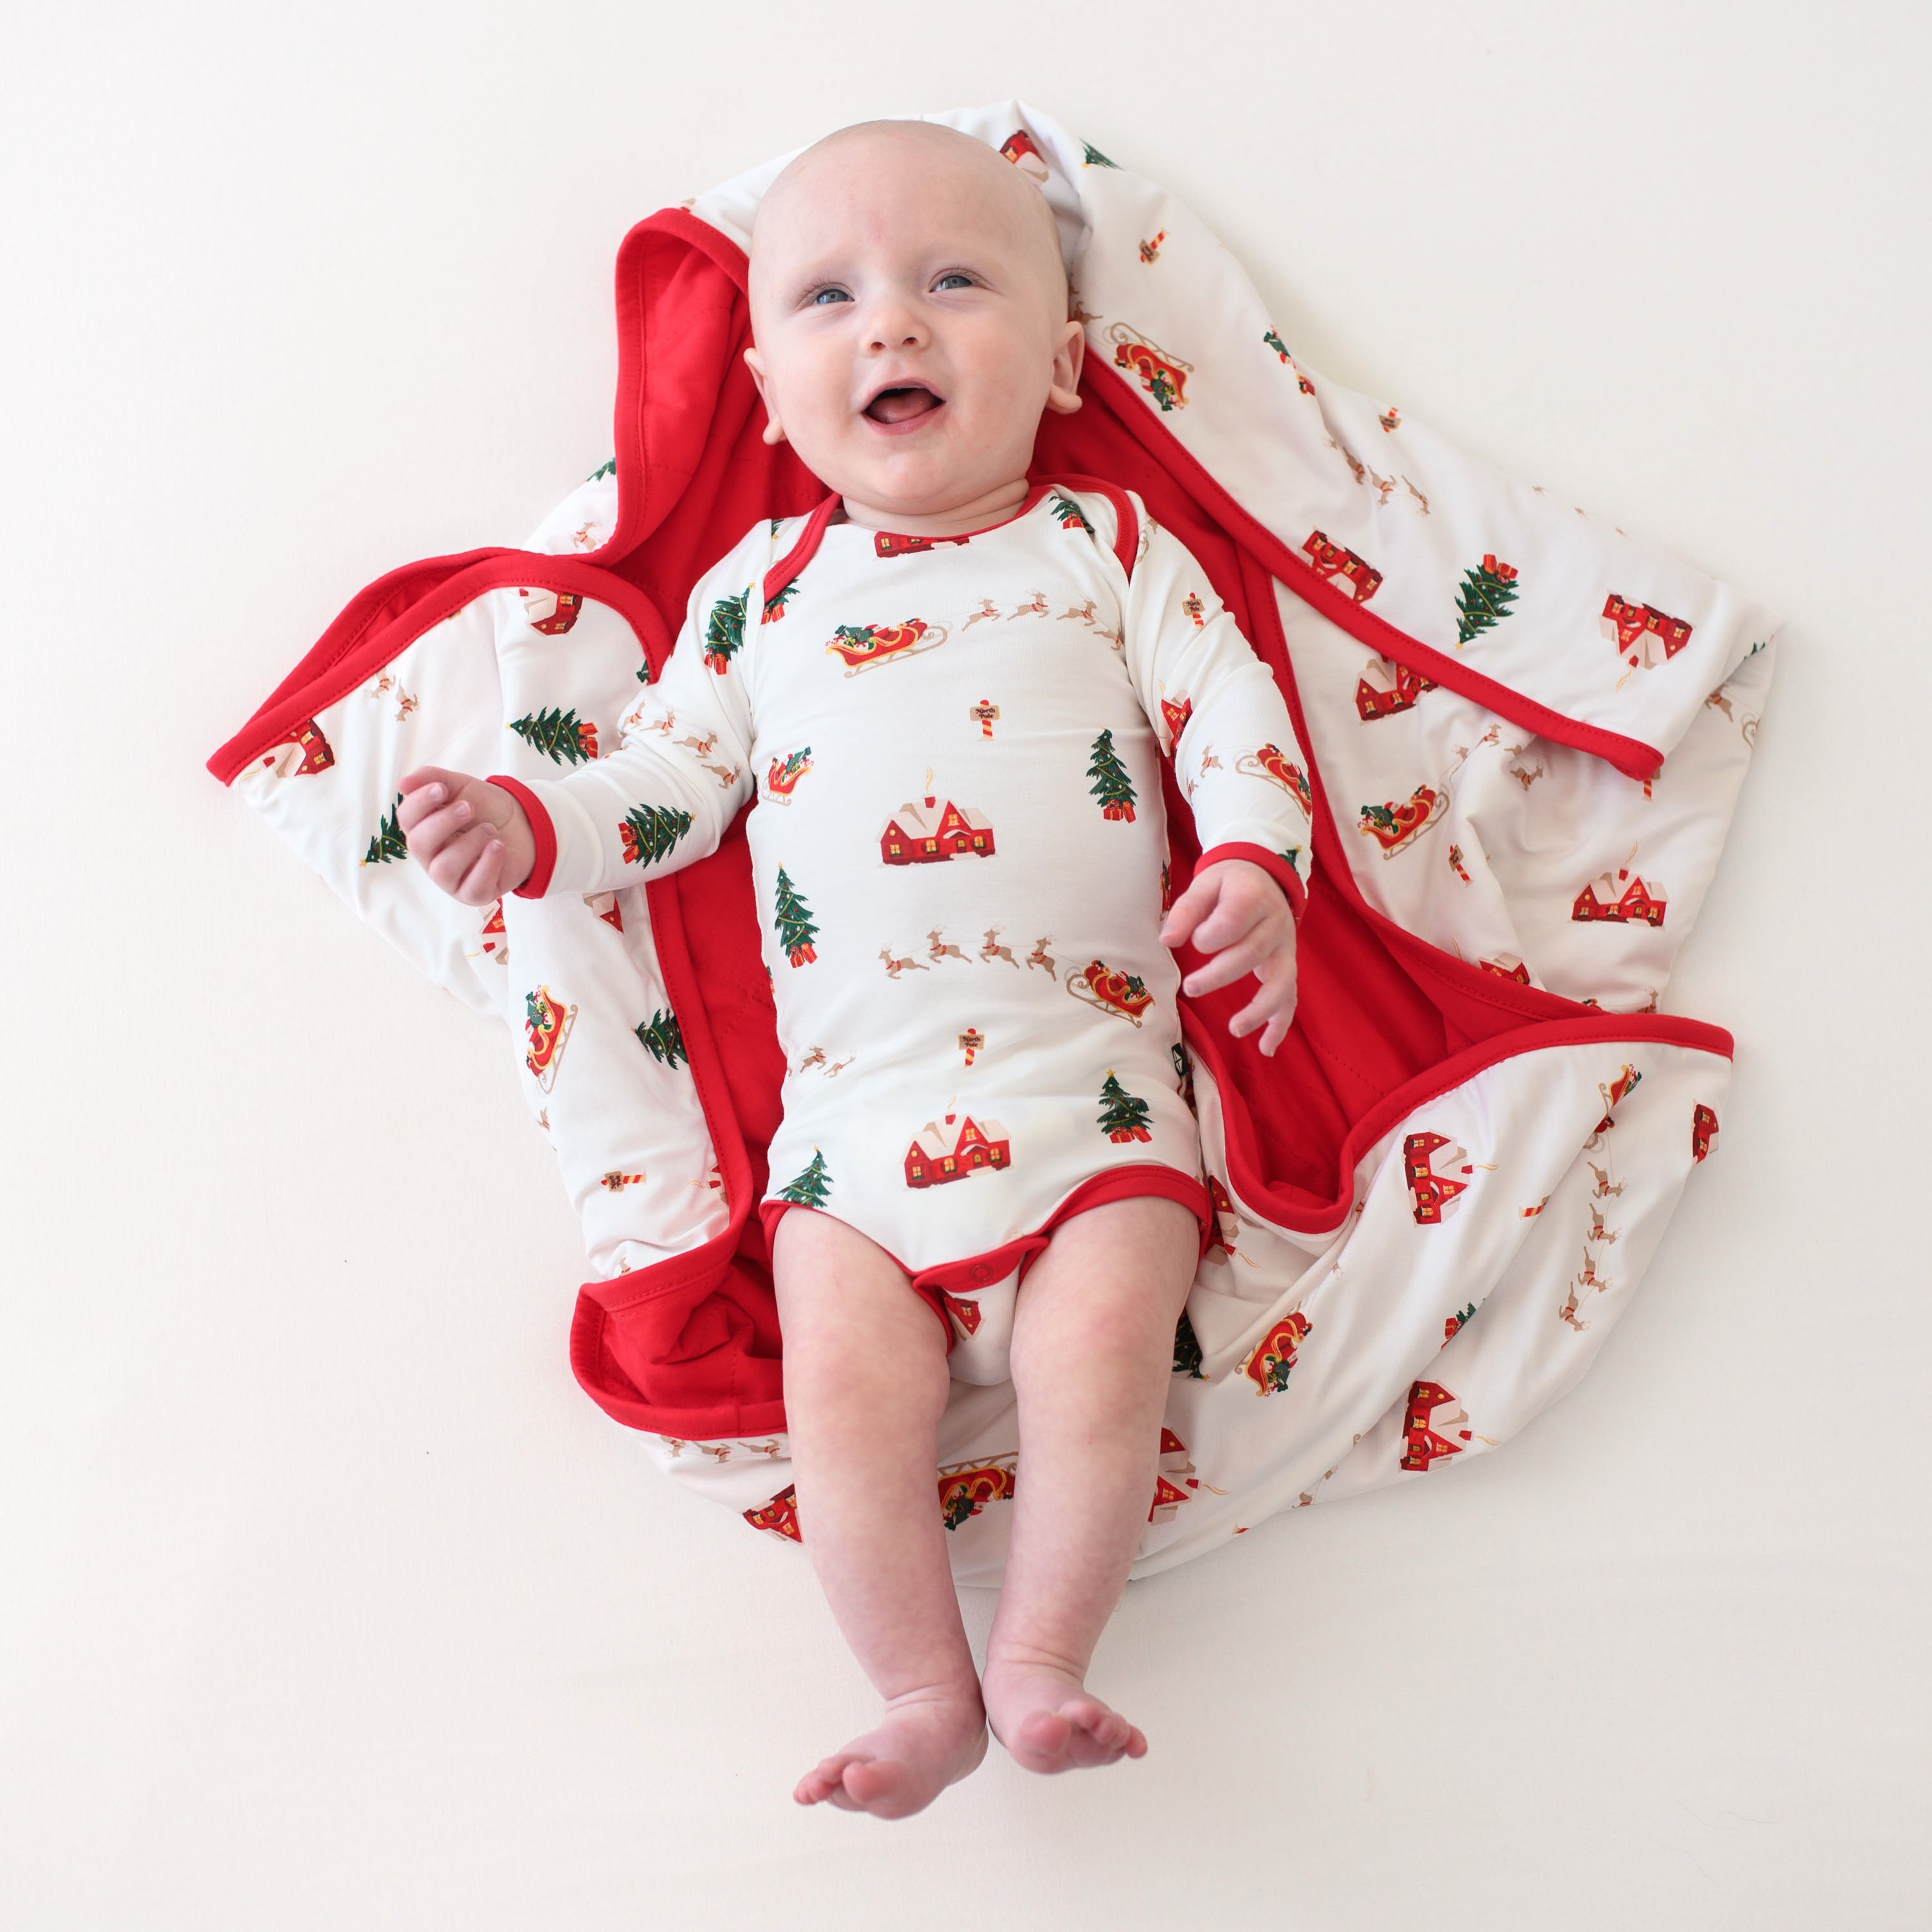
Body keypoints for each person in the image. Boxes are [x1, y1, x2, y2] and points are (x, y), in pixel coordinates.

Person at [396, 117, 1312, 1819]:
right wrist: (534, 828)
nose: (891, 323)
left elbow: (1236, 723)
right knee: (844, 1396)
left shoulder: (1107, 553)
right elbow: (661, 785)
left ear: (1058, 364)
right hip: (853, 1145)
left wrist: (1258, 865)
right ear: (764, 393)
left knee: (1099, 1365)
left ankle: (1039, 1658)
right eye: (831, 298)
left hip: (1095, 1099)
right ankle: (917, 1687)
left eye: (954, 281)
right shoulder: (761, 595)